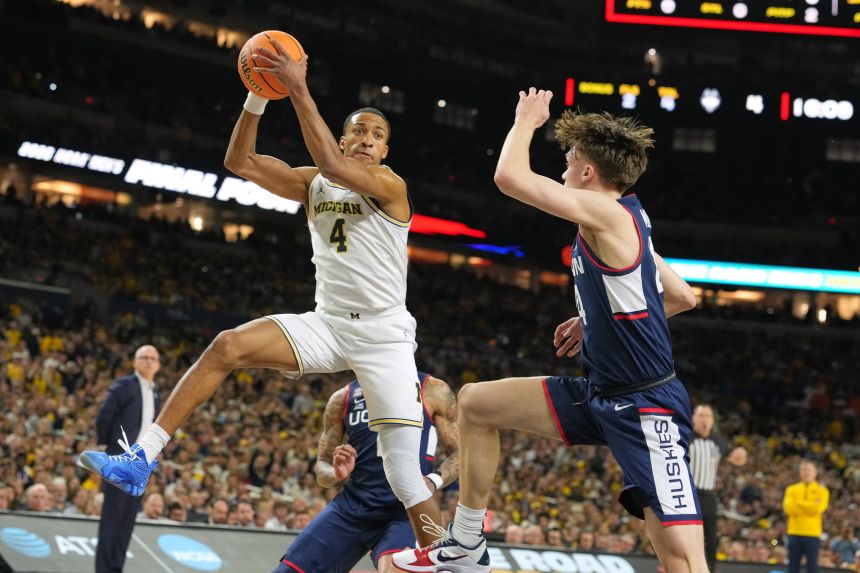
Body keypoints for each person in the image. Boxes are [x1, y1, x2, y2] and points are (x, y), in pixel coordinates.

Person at [79, 39, 444, 546]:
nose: (366, 139)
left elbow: (333, 166)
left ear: (385, 152)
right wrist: (258, 93)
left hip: (384, 337)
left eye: (377, 135)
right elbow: (240, 160)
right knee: (226, 345)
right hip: (329, 323)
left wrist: (297, 89)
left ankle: (446, 556)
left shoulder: (390, 186)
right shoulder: (313, 183)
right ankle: (143, 457)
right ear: (342, 140)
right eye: (358, 131)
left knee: (403, 473)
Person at [394, 90, 702, 573]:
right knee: (475, 404)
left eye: (569, 161)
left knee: (682, 560)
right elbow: (682, 295)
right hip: (599, 394)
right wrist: (595, 318)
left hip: (646, 406)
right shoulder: (628, 220)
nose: (563, 171)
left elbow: (509, 177)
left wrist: (526, 120)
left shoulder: (608, 214)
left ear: (587, 173)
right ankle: (467, 543)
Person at [275, 371, 458, 573]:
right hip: (353, 505)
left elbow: (460, 453)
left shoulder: (433, 389)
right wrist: (336, 474)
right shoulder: (343, 397)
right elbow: (322, 463)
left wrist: (434, 480)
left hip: (406, 510)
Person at [91, 345, 161, 573]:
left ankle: (116, 568)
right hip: (120, 460)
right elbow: (105, 415)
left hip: (141, 464)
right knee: (112, 518)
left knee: (127, 520)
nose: (149, 361)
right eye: (144, 357)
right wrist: (108, 447)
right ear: (135, 362)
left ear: (158, 365)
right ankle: (103, 569)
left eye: (153, 358)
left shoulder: (155, 392)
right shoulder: (125, 385)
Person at [689, 404, 748, 572]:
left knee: (710, 539)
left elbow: (735, 457)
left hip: (708, 495)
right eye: (701, 416)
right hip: (688, 495)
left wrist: (740, 454)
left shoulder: (717, 440)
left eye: (707, 416)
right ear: (693, 418)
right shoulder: (686, 437)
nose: (704, 420)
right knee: (688, 537)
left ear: (712, 420)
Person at [783, 460, 829, 573]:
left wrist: (798, 503)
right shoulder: (791, 489)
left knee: (812, 567)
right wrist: (810, 505)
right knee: (792, 567)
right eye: (803, 470)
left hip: (812, 533)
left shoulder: (822, 490)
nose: (806, 473)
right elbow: (788, 508)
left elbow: (818, 509)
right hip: (794, 532)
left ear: (815, 472)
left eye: (809, 470)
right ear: (799, 472)